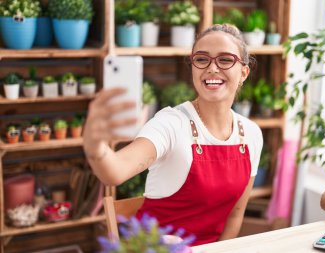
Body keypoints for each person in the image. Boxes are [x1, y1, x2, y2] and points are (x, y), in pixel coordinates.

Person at [83, 24, 263, 246]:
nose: (212, 68)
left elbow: (235, 215)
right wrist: (95, 147)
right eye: (202, 59)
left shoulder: (251, 135)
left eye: (225, 60)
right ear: (193, 67)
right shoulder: (171, 124)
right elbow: (115, 172)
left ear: (243, 72)